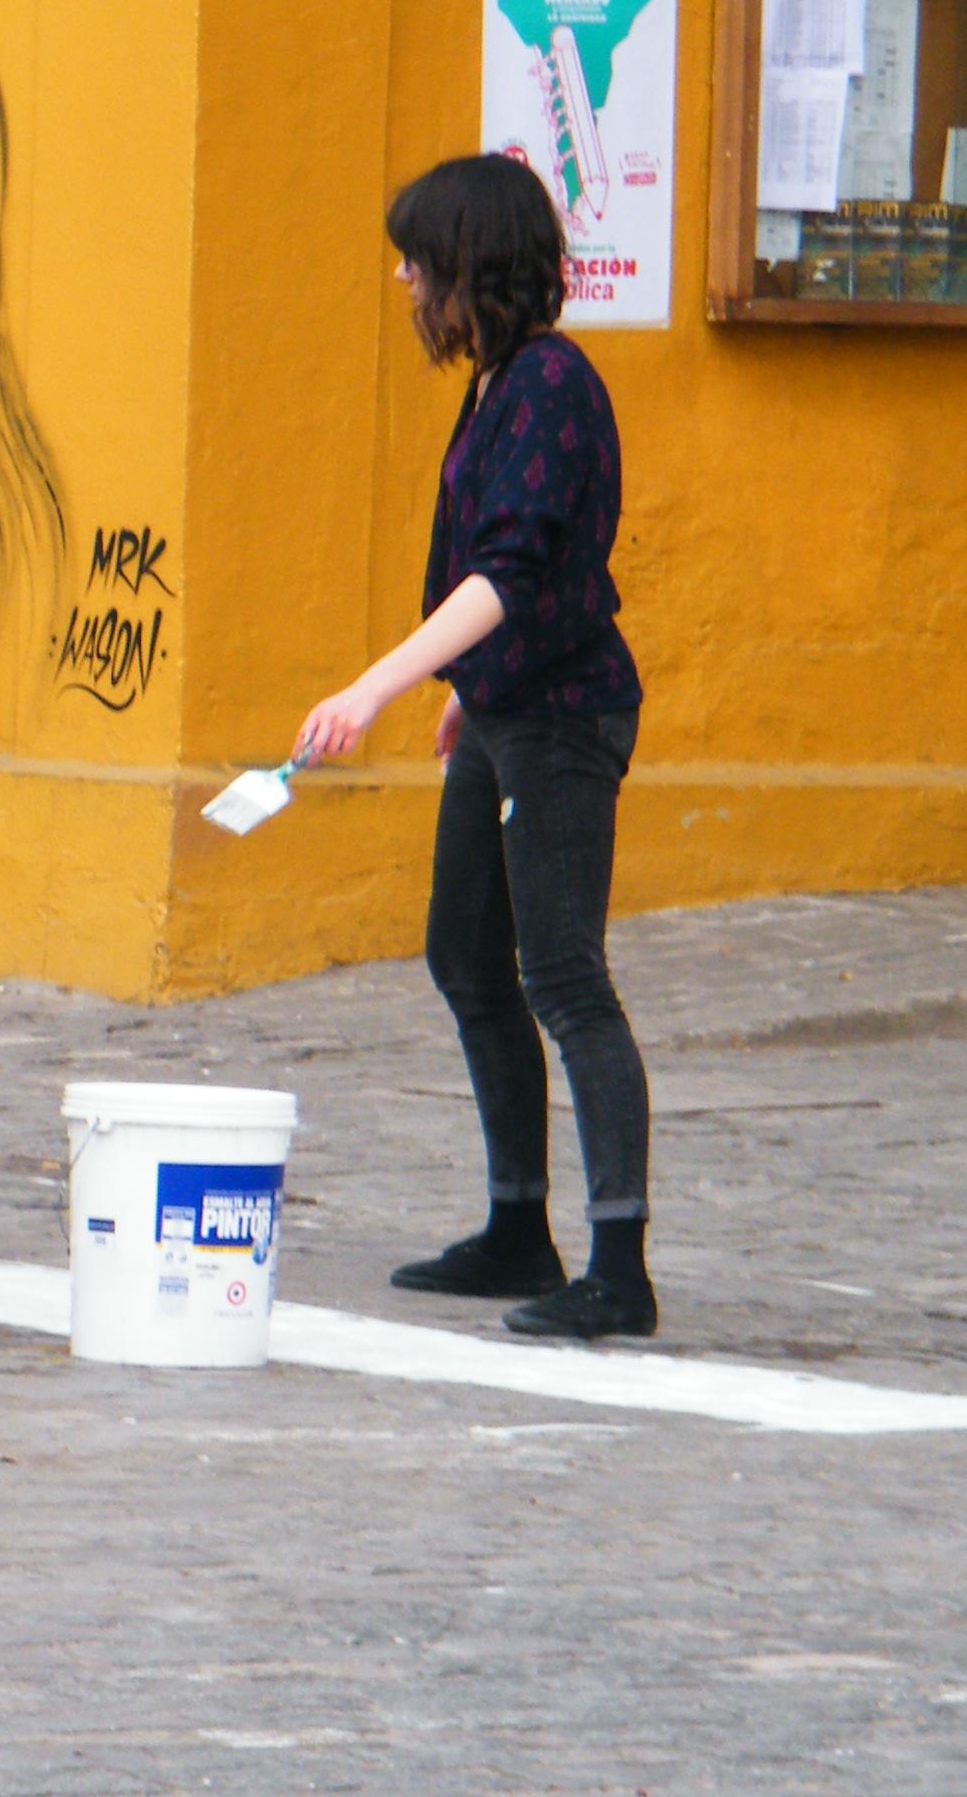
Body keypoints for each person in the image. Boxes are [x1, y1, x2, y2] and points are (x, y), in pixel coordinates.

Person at [294, 154, 654, 1341]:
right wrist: (461, 687)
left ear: (469, 269)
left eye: (417, 259)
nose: (401, 278)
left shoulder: (552, 383)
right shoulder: (500, 381)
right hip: (505, 710)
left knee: (562, 975)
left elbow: (509, 568)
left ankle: (618, 1265)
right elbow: (504, 580)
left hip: (562, 719)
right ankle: (517, 1224)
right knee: (465, 955)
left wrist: (377, 688)